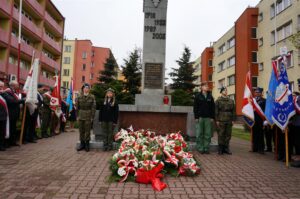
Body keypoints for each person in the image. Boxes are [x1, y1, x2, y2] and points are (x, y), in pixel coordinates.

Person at [193, 82, 215, 154]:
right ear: (201, 87)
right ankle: (200, 148)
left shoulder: (210, 96)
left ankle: (206, 148)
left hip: (208, 118)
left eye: (207, 86)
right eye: (205, 86)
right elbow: (195, 107)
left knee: (207, 134)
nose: (207, 87)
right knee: (199, 133)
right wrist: (196, 117)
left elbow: (213, 108)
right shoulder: (198, 96)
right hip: (200, 117)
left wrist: (212, 117)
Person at [2, 81, 24, 146]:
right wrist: (23, 100)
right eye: (17, 85)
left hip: (15, 113)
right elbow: (12, 101)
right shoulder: (7, 92)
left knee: (13, 128)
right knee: (9, 128)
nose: (18, 86)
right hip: (10, 113)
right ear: (13, 85)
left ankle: (12, 141)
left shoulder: (14, 92)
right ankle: (7, 142)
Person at [76, 83, 96, 152]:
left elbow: (93, 108)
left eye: (87, 88)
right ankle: (82, 144)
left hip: (88, 115)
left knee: (87, 131)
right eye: (85, 88)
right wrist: (77, 116)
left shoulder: (92, 97)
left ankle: (87, 144)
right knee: (81, 131)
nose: (86, 89)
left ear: (89, 89)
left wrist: (92, 117)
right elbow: (77, 107)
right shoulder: (79, 96)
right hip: (81, 115)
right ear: (83, 89)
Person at [215, 86, 235, 155]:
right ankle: (220, 149)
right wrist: (217, 120)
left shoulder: (231, 100)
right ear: (221, 92)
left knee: (228, 134)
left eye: (226, 90)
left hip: (229, 119)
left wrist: (233, 119)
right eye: (224, 90)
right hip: (221, 119)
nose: (225, 91)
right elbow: (216, 111)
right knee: (221, 134)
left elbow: (233, 111)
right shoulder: (218, 100)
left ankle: (226, 148)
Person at [252, 87, 266, 154]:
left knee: (261, 135)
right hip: (254, 120)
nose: (257, 93)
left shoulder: (264, 101)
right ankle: (255, 148)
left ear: (261, 93)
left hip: (261, 120)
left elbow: (266, 111)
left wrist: (265, 120)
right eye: (256, 92)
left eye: (258, 92)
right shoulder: (252, 100)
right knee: (255, 134)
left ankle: (261, 149)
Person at [0, 81, 8, 151]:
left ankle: (1, 145)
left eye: (2, 86)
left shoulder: (3, 94)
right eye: (0, 87)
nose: (1, 88)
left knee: (2, 131)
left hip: (3, 116)